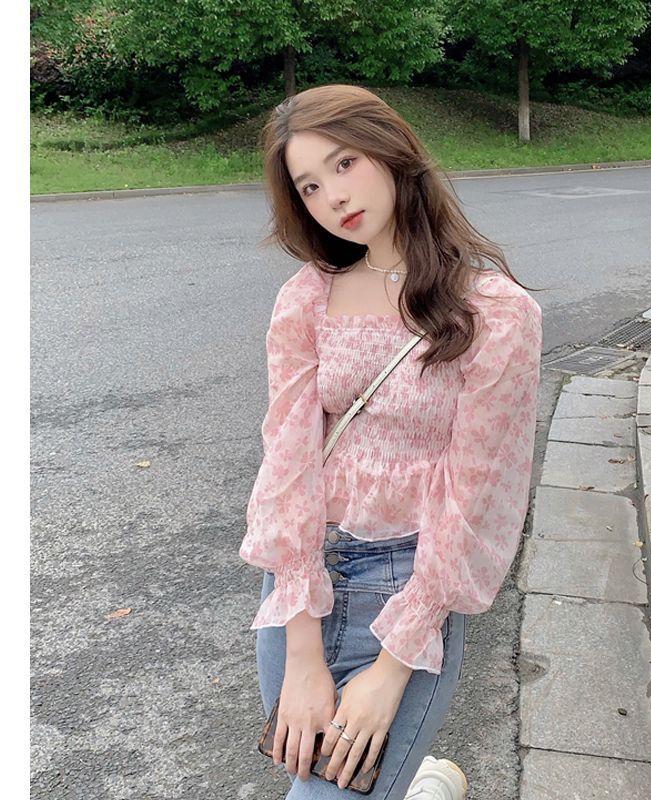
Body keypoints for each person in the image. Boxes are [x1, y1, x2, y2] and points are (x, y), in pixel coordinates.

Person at [239, 84, 543, 800]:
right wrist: (302, 653)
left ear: (392, 150)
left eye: (345, 163)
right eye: (309, 186)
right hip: (301, 583)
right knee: (311, 776)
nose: (333, 197)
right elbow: (287, 461)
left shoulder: (495, 312)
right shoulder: (307, 297)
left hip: (407, 586)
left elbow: (481, 493)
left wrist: (394, 665)